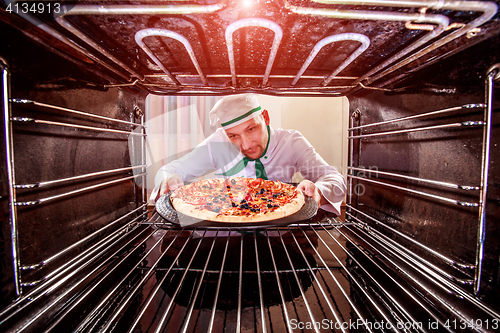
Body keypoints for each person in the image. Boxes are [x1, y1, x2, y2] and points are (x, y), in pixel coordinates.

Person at [151, 94, 346, 215]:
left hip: (282, 235)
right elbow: (169, 170)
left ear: (266, 118)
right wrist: (168, 180)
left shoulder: (291, 141)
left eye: (251, 129)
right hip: (229, 234)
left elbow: (334, 179)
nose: (245, 145)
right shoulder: (218, 142)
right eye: (233, 136)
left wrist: (318, 191)